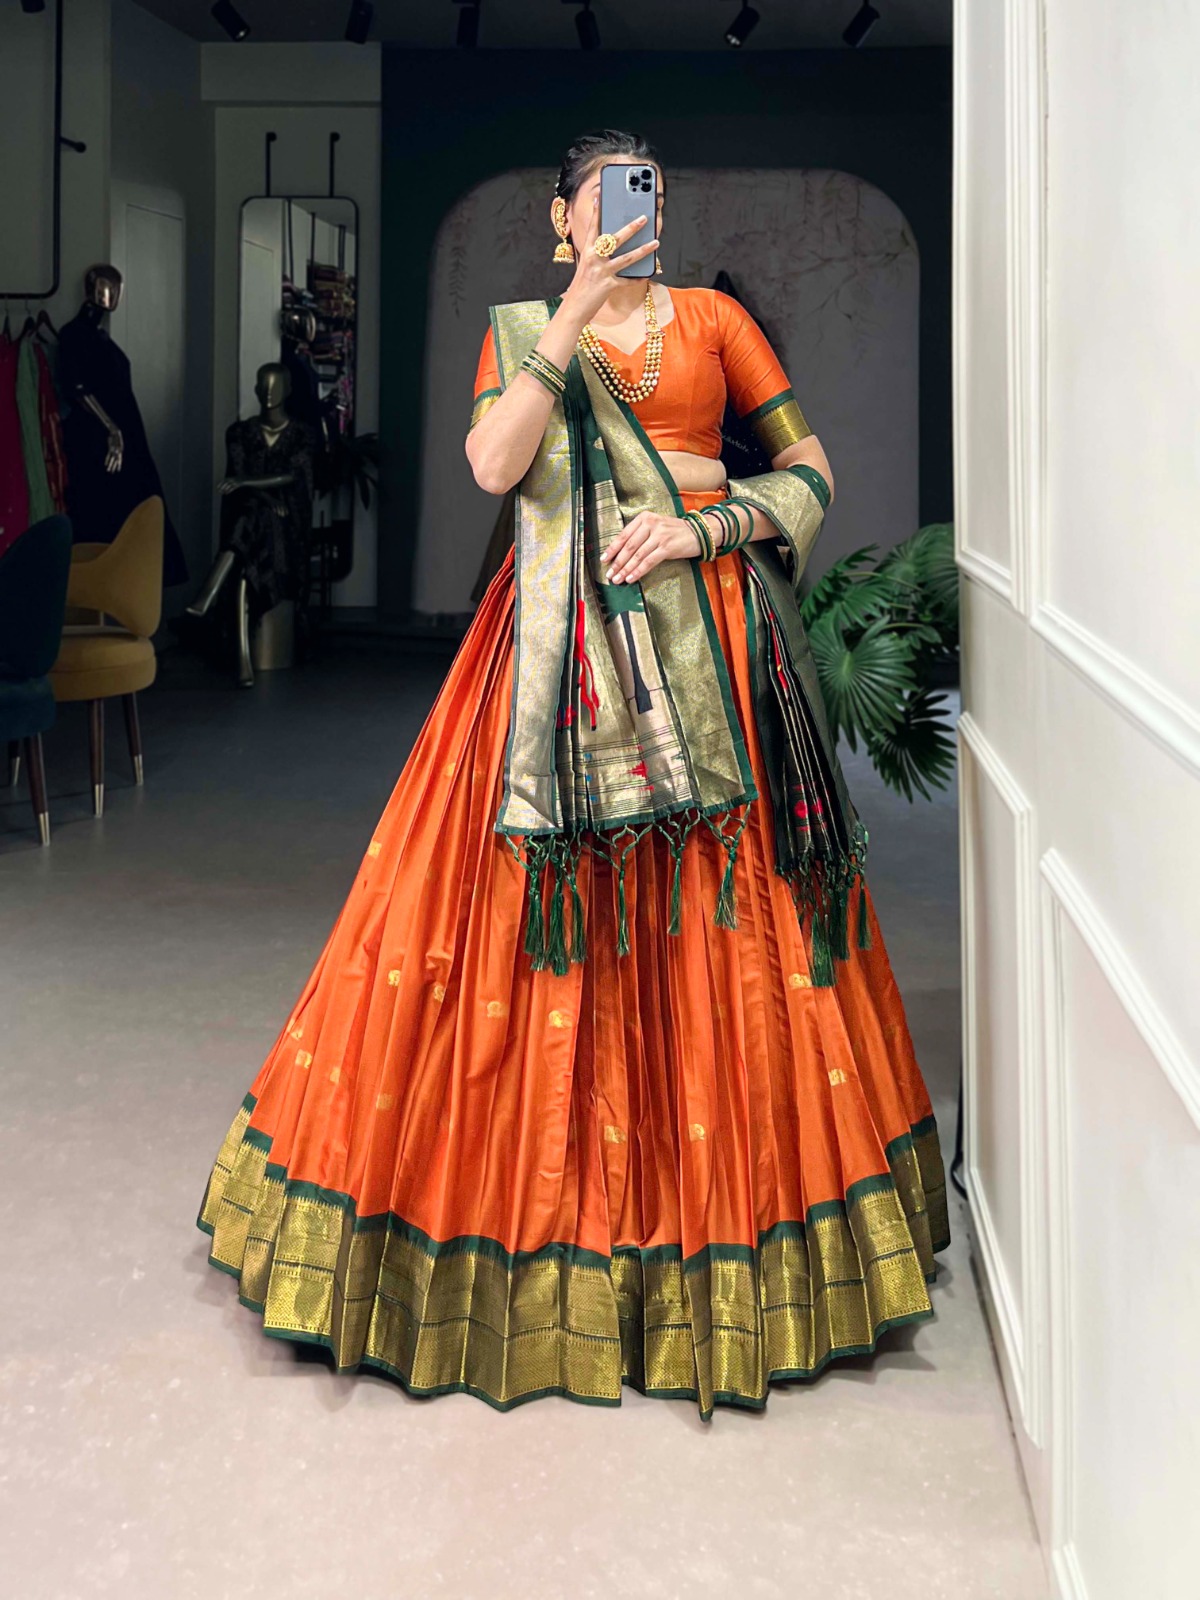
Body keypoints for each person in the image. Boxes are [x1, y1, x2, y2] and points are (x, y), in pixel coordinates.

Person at [196, 130, 949, 1420]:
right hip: (549, 655)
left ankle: (713, 1236)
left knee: (719, 926)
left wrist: (705, 519)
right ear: (562, 219)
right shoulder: (525, 330)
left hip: (709, 646)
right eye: (605, 200)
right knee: (507, 911)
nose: (631, 215)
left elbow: (812, 473)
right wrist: (578, 315)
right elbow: (498, 466)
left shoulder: (713, 321)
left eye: (647, 194)